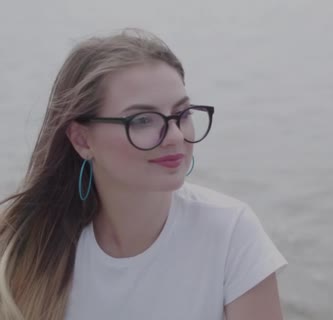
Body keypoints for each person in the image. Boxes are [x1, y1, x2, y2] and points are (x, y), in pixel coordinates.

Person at [0, 29, 287, 320]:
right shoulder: (24, 249)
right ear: (82, 140)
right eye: (142, 120)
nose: (174, 135)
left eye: (182, 113)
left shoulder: (231, 232)